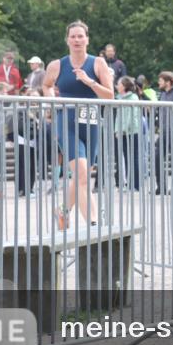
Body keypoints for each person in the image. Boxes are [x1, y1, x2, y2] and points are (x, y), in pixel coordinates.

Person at [41, 21, 115, 228]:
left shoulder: (98, 63)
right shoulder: (57, 65)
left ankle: (62, 210)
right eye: (73, 36)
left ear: (87, 39)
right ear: (67, 40)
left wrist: (89, 82)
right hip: (67, 122)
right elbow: (46, 85)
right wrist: (51, 101)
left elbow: (110, 96)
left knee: (83, 177)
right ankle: (93, 224)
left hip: (91, 122)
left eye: (80, 36)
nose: (77, 40)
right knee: (82, 174)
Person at [115, 76, 142, 191]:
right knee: (126, 158)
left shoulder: (133, 98)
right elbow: (118, 117)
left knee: (133, 158)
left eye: (119, 84)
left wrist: (124, 129)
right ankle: (129, 183)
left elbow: (133, 116)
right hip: (122, 132)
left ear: (125, 86)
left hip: (131, 132)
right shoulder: (120, 98)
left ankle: (135, 185)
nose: (117, 86)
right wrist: (117, 130)